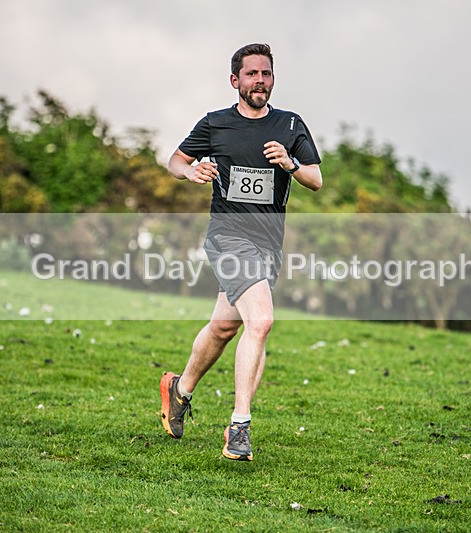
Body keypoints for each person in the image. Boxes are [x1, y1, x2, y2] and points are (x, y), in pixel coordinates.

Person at [160, 43, 322, 461]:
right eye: (251, 74)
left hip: (268, 244)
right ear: (236, 81)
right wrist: (192, 171)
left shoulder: (290, 125)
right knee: (262, 320)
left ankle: (179, 390)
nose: (260, 81)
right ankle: (239, 427)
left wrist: (288, 163)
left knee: (224, 328)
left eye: (266, 74)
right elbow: (175, 160)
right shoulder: (216, 124)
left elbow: (316, 180)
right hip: (228, 237)